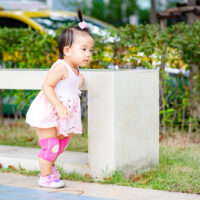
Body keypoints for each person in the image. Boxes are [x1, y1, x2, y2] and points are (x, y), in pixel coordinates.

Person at [26, 9, 94, 189]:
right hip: (49, 112)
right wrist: (57, 104)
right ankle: (45, 176)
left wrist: (78, 83)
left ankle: (50, 167)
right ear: (67, 50)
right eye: (84, 49)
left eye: (90, 50)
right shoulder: (61, 67)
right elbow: (47, 86)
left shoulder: (75, 69)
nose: (88, 54)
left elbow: (70, 88)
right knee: (51, 145)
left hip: (62, 115)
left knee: (62, 143)